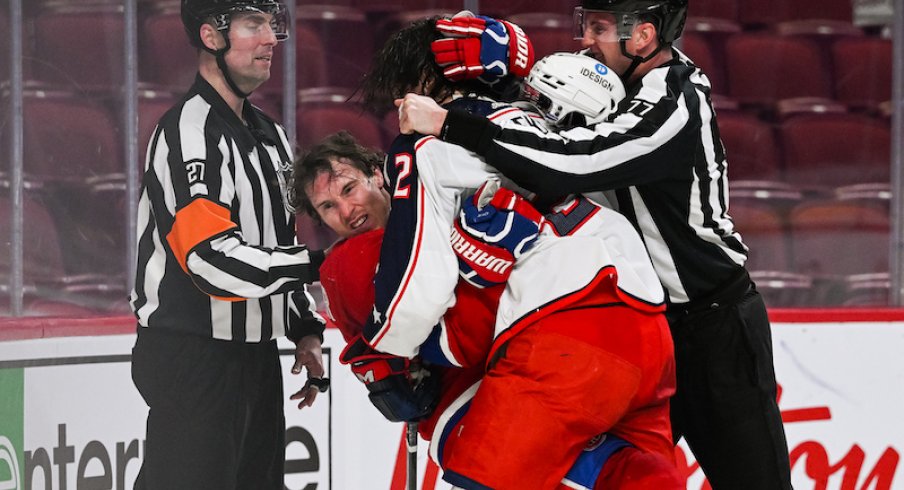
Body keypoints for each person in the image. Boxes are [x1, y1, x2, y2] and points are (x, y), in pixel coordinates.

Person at [396, 3, 793, 489]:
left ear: (643, 36)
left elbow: (578, 162)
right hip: (639, 328)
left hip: (713, 328)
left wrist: (450, 124)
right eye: (586, 24)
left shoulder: (675, 99)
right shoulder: (592, 82)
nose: (585, 38)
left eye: (600, 28)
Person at [292, 18, 679, 489]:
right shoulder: (541, 115)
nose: (399, 107)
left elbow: (410, 306)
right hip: (645, 319)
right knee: (634, 473)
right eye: (327, 207)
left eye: (348, 189)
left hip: (563, 330)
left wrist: (386, 355)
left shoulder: (425, 148)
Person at [129, 1, 327, 488]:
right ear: (211, 37)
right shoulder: (186, 134)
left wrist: (303, 327)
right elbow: (210, 260)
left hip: (255, 358)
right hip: (193, 357)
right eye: (253, 25)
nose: (271, 39)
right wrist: (323, 264)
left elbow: (277, 241)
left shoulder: (272, 136)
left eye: (271, 24)